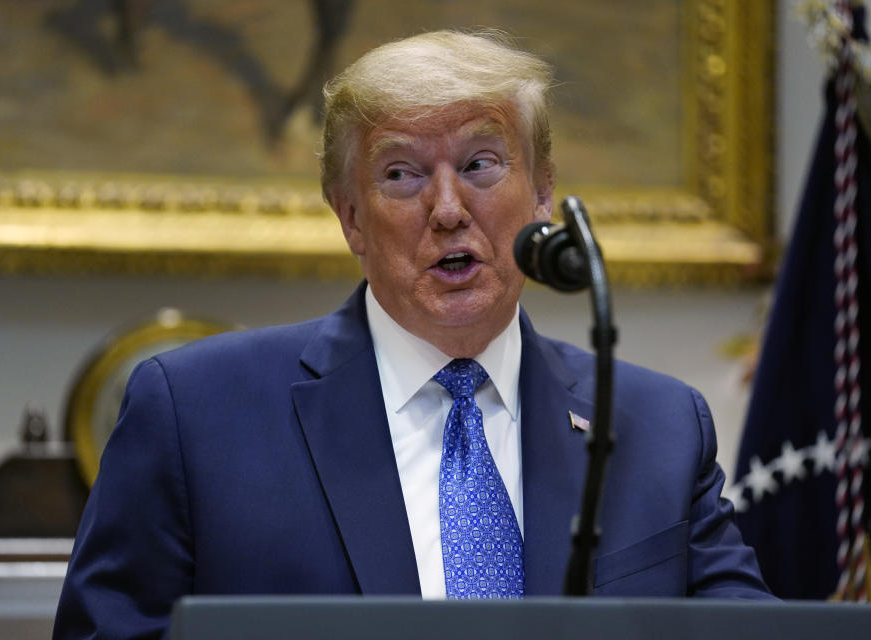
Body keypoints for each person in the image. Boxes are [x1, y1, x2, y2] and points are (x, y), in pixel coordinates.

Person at [53, 30, 773, 639]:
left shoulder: (658, 428)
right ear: (351, 218)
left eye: (480, 165)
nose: (449, 209)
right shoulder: (195, 415)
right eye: (401, 174)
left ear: (544, 192)